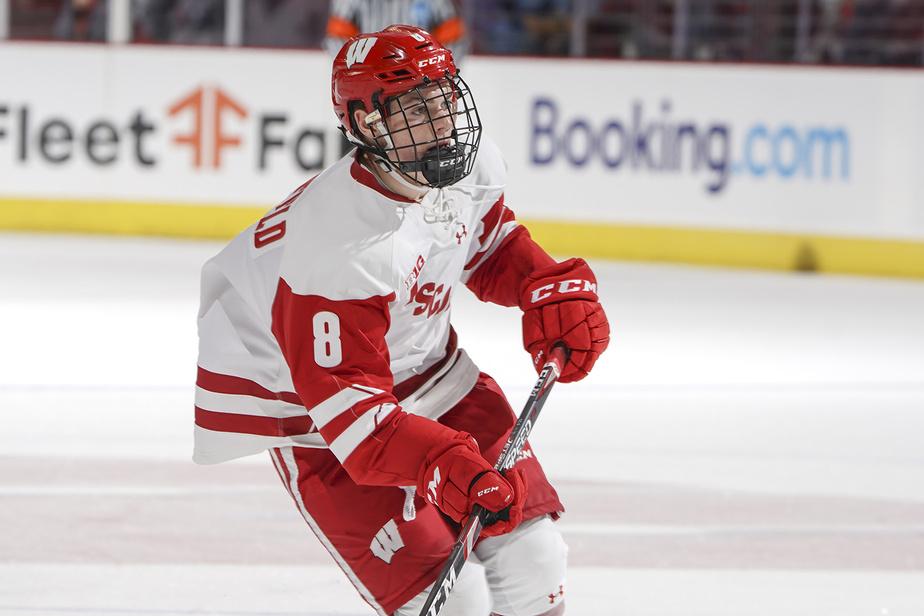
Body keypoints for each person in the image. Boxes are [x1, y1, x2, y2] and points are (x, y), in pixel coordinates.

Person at [194, 25, 609, 616]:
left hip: (431, 373)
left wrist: (544, 286)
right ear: (367, 126)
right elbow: (357, 423)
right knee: (453, 599)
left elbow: (484, 244)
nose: (443, 122)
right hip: (318, 417)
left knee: (536, 562)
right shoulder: (336, 249)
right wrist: (442, 466)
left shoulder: (463, 162)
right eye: (417, 108)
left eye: (444, 98)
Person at [324, 0, 468, 62]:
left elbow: (454, 39)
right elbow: (337, 39)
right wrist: (359, 69)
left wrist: (434, 70)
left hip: (419, 75)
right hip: (371, 72)